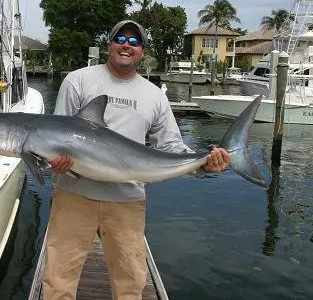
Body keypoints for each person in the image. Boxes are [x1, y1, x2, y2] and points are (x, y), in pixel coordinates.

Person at [41, 20, 230, 300]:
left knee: (130, 281)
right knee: (58, 279)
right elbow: (54, 135)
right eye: (120, 38)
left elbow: (171, 146)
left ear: (142, 50)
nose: (126, 46)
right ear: (110, 43)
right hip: (74, 195)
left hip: (127, 199)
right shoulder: (78, 80)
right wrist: (52, 161)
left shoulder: (154, 96)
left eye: (134, 42)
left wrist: (204, 164)